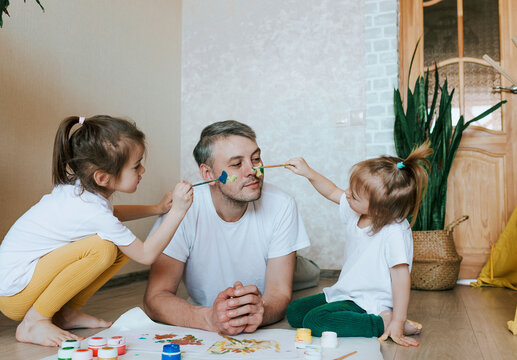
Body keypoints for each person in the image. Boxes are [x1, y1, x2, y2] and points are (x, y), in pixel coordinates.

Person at [0, 115, 193, 347]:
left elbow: (112, 215)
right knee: (103, 247)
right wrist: (178, 212)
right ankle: (33, 322)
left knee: (119, 248)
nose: (143, 169)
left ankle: (65, 313)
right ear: (102, 177)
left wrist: (157, 208)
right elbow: (145, 255)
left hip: (17, 283)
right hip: (14, 295)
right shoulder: (91, 211)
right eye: (136, 165)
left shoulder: (83, 194)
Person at [144, 120, 310, 335]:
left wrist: (260, 312)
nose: (253, 170)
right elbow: (155, 298)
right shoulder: (183, 209)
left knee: (307, 274)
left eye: (256, 158)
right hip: (211, 304)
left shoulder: (282, 204)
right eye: (236, 164)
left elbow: (279, 292)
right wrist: (209, 318)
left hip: (297, 269)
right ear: (208, 174)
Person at [285, 142, 432, 347]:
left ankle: (382, 322)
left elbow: (401, 277)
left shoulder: (394, 231)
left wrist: (398, 320)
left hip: (370, 302)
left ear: (380, 211)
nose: (346, 193)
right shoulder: (358, 211)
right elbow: (331, 191)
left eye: (354, 195)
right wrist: (308, 172)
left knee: (314, 321)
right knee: (294, 312)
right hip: (346, 292)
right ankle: (367, 317)